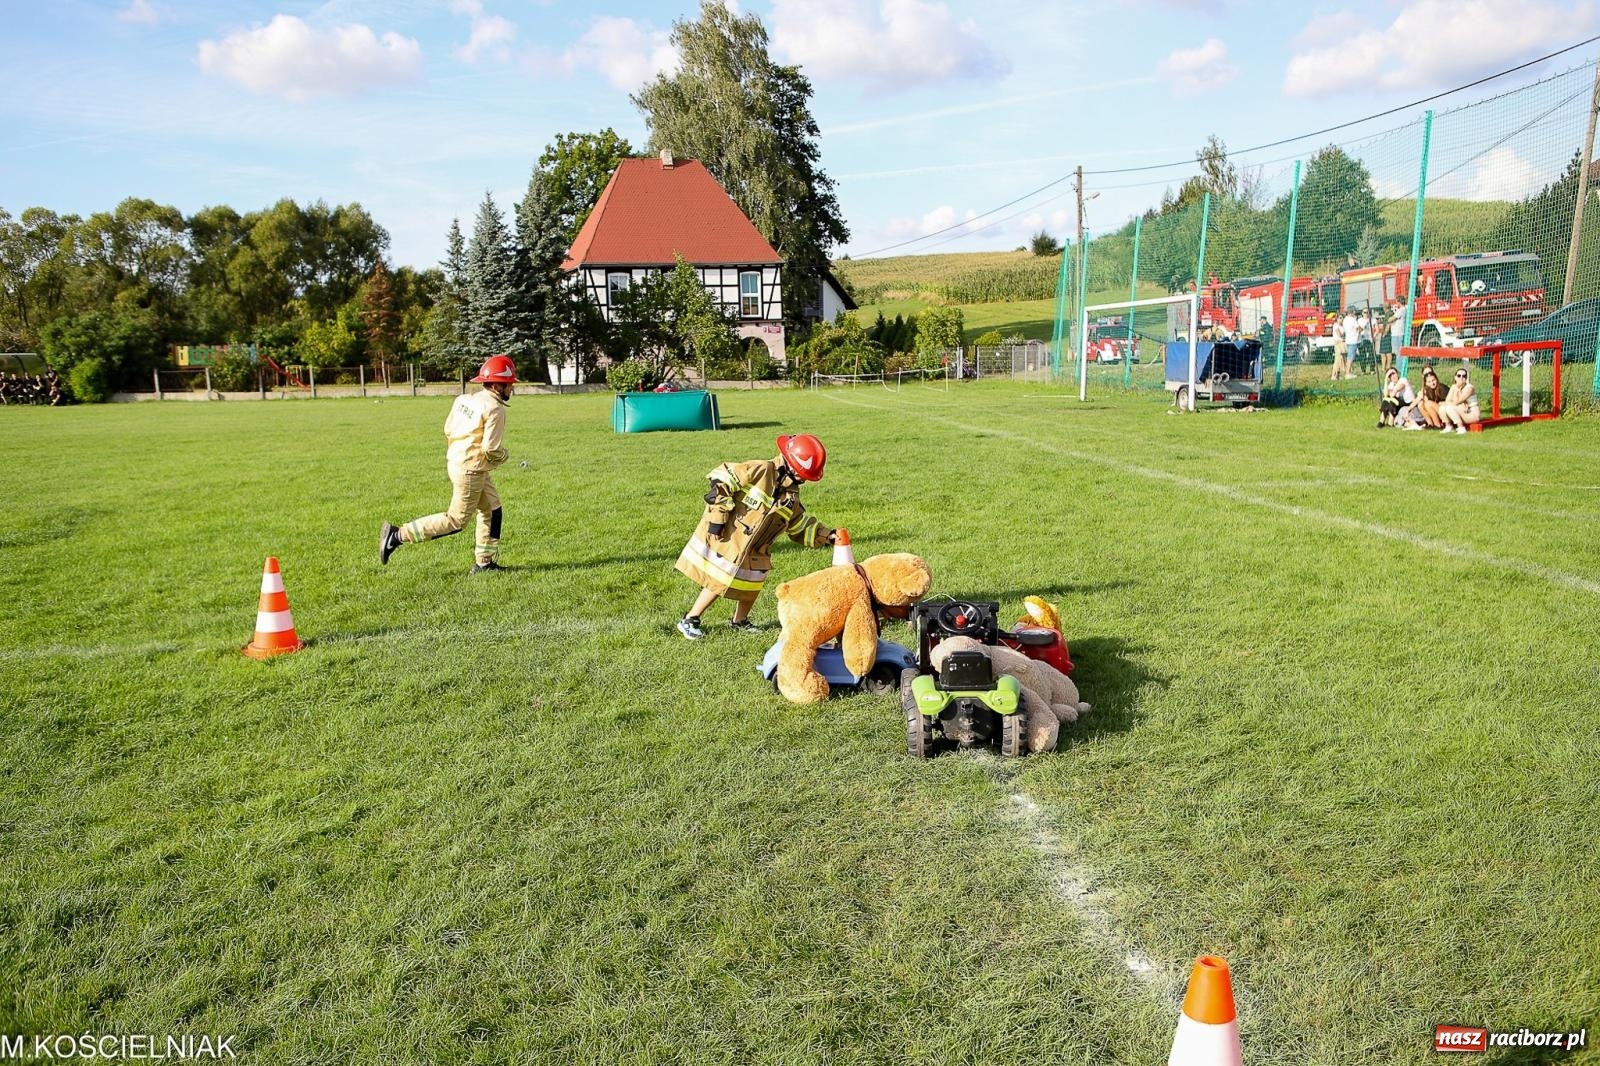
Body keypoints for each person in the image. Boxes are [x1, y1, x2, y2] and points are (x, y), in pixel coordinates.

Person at [675, 434, 837, 639]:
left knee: (752, 584)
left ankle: (739, 621)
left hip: (758, 548)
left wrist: (826, 536)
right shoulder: (761, 469)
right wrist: (718, 517)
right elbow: (723, 478)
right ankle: (691, 619)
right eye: (803, 474)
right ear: (791, 463)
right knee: (720, 578)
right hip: (734, 539)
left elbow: (798, 525)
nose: (804, 479)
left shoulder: (791, 495)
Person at [379, 354, 516, 572]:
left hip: (457, 462)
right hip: (471, 469)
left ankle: (484, 563)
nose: (512, 388)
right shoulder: (495, 409)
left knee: (492, 510)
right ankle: (397, 535)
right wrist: (504, 456)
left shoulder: (464, 399)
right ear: (497, 385)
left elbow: (448, 429)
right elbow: (491, 449)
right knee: (456, 520)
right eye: (509, 384)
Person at [1439, 366, 1481, 434]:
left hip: (1471, 413)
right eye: (1459, 375)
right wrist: (1457, 405)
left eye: (1464, 376)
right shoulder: (1453, 386)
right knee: (1442, 408)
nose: (1461, 377)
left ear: (1466, 378)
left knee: (1450, 408)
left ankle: (1461, 428)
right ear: (1455, 377)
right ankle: (1448, 426)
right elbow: (1447, 400)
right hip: (1461, 410)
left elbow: (1456, 401)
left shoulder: (1469, 388)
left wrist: (1457, 389)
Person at [1416, 365, 1449, 429]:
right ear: (1426, 383)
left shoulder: (1442, 388)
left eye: (1433, 380)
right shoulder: (1427, 389)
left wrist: (1442, 403)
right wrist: (1408, 410)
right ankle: (1430, 424)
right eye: (1429, 381)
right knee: (1421, 405)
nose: (1432, 383)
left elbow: (1451, 401)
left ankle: (1438, 425)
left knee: (1428, 403)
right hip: (1438, 410)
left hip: (1446, 411)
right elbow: (1418, 400)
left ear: (1436, 379)